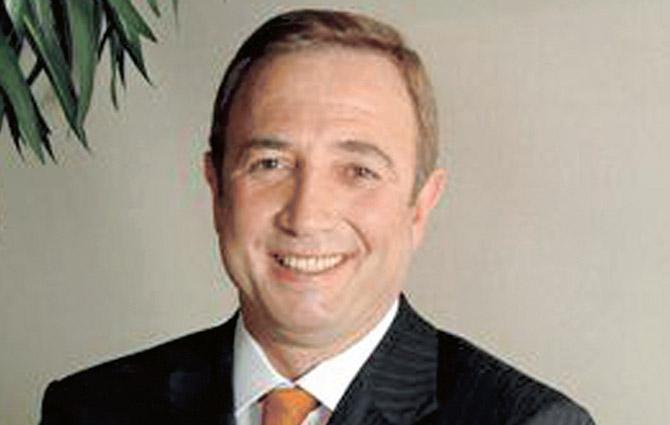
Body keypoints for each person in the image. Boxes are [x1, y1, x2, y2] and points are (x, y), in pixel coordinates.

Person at [39, 9, 594, 425]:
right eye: (270, 164)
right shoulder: (89, 410)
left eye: (358, 171)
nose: (306, 216)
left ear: (421, 206)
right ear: (216, 190)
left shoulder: (527, 421)